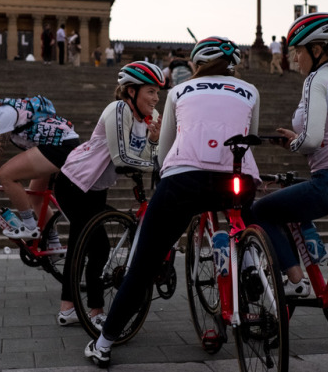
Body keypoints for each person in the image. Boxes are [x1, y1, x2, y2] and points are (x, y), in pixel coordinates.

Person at [84, 36, 261, 366]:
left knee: (144, 263)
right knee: (248, 223)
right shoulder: (250, 90)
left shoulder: (179, 92)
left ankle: (104, 342)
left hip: (184, 179)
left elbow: (165, 151)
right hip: (237, 177)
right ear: (233, 66)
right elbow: (252, 136)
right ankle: (251, 266)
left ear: (195, 65)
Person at [251, 13, 328, 341]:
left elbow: (311, 140)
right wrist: (297, 138)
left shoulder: (317, 80)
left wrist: (294, 142)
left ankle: (295, 280)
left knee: (261, 211)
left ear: (318, 49)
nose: (294, 56)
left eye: (299, 50)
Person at [53, 62, 165, 327]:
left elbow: (148, 156)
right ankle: (95, 311)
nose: (156, 97)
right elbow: (122, 158)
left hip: (97, 187)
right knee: (98, 247)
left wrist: (153, 141)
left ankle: (68, 308)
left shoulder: (152, 117)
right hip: (74, 182)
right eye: (150, 91)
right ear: (131, 91)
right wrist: (159, 165)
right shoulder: (118, 109)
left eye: (157, 92)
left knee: (85, 245)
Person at [0, 80, 80, 240]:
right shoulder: (0, 115)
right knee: (36, 198)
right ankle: (52, 243)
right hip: (56, 145)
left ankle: (30, 226)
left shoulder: (6, 113)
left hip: (59, 146)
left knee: (6, 174)